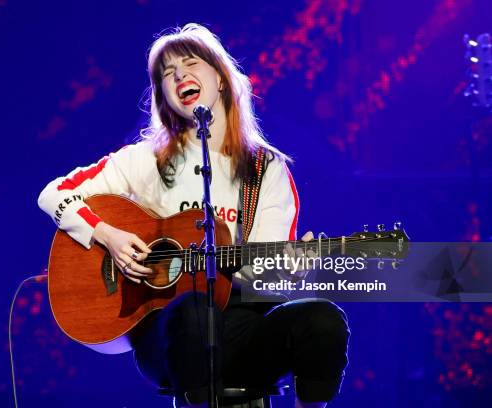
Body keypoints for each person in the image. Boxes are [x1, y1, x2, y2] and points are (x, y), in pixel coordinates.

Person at [38, 23, 349, 408]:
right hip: (168, 333)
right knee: (193, 311)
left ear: (220, 79)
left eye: (189, 64)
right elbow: (55, 194)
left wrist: (288, 267)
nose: (179, 75)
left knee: (323, 320)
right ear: (164, 97)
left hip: (243, 329)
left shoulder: (264, 169)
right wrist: (108, 236)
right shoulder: (144, 159)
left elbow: (264, 278)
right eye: (167, 74)